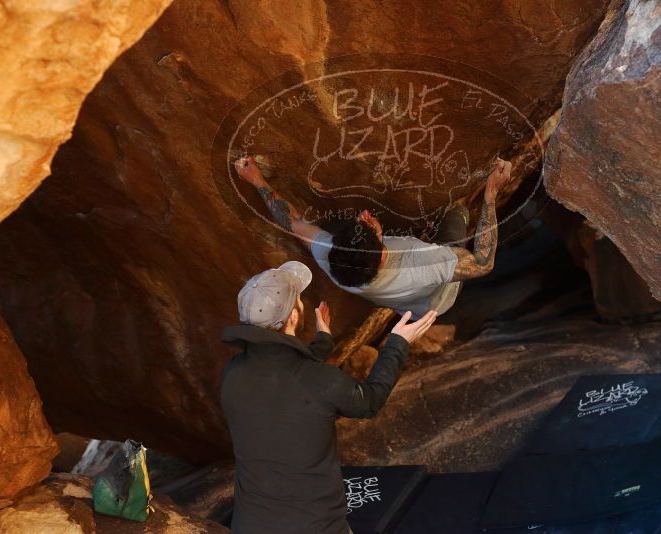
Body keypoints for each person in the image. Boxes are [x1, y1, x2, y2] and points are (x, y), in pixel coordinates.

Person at [220, 260, 437, 534]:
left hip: (250, 526)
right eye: (298, 301)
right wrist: (397, 343)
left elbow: (283, 369)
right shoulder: (319, 380)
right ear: (295, 317)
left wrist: (324, 339)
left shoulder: (233, 374)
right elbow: (369, 401)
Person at [233, 155, 514, 318]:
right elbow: (483, 264)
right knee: (457, 213)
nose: (366, 216)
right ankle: (462, 213)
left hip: (411, 307)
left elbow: (290, 220)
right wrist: (491, 195)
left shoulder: (332, 259)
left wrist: (256, 179)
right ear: (381, 256)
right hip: (440, 298)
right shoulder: (426, 264)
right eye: (372, 230)